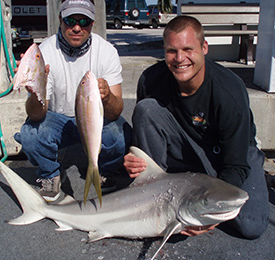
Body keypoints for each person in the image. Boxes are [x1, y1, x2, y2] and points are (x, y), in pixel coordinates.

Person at [124, 15, 269, 239]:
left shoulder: (229, 91)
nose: (180, 58)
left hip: (229, 154)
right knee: (147, 109)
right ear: (164, 51)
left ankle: (193, 190)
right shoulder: (151, 79)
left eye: (188, 49)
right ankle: (154, 195)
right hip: (186, 147)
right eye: (172, 51)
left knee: (251, 225)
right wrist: (137, 160)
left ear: (204, 47)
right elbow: (146, 128)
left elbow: (236, 165)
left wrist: (204, 214)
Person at [14, 0, 131, 202]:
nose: (77, 27)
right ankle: (50, 174)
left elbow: (115, 112)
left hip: (93, 121)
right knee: (30, 134)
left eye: (84, 21)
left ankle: (102, 170)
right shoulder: (45, 52)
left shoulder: (107, 51)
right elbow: (36, 114)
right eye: (70, 20)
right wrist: (35, 91)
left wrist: (107, 96)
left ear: (92, 23)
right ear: (60, 20)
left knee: (120, 135)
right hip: (58, 120)